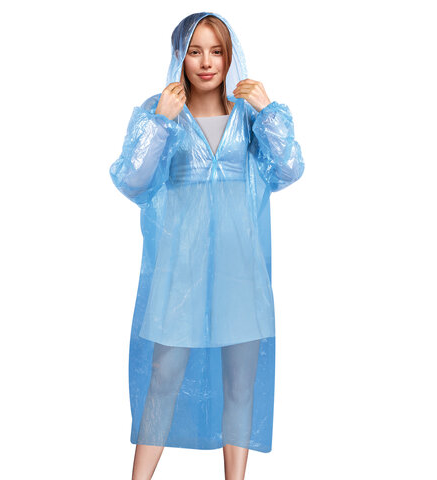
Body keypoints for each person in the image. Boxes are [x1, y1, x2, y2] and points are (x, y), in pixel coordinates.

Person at [109, 11, 305, 480]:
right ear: (180, 56)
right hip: (181, 270)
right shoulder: (161, 112)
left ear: (229, 55)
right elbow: (132, 180)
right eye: (194, 51)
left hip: (241, 269)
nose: (206, 62)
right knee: (163, 376)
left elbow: (289, 169)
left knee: (241, 382)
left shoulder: (248, 116)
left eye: (216, 51)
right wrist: (159, 123)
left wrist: (269, 110)